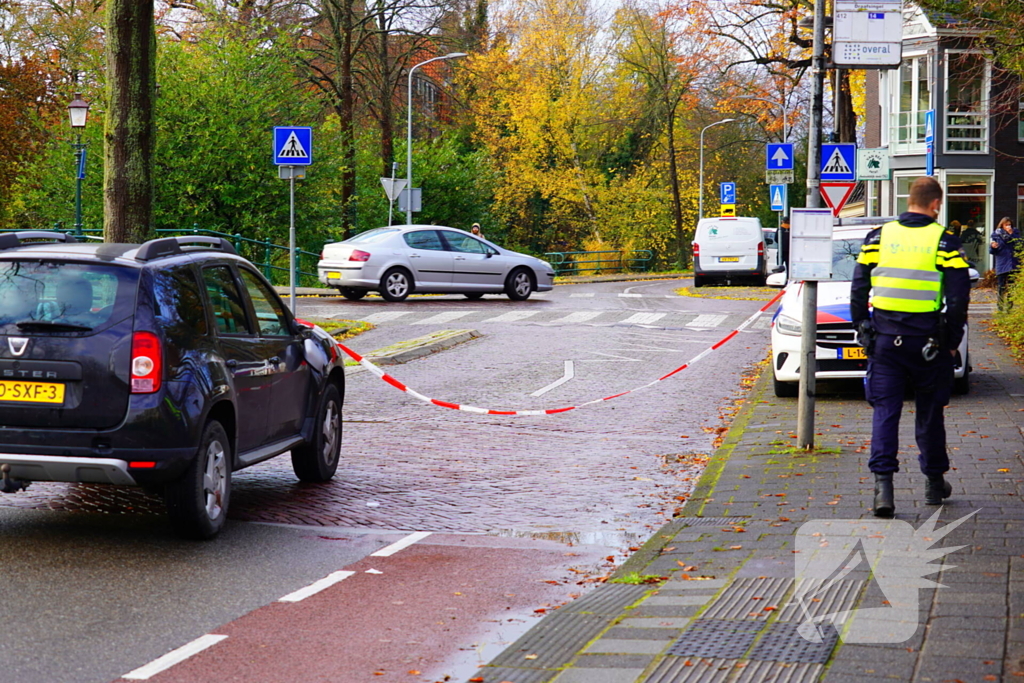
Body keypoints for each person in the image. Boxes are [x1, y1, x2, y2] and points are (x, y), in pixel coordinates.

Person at [850, 176, 971, 518]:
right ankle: (934, 484)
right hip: (928, 345)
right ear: (936, 204)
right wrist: (950, 342)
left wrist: (864, 330)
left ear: (909, 201)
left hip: (886, 344)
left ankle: (882, 489)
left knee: (885, 413)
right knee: (930, 414)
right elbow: (959, 297)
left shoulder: (879, 237)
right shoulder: (945, 242)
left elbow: (859, 288)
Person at [990, 216, 1020, 311]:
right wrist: (993, 247)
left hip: (1013, 263)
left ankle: (1009, 306)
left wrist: (1011, 234)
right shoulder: (996, 235)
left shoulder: (1016, 233)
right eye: (1006, 224)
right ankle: (1000, 305)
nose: (1008, 226)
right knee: (1001, 285)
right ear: (1002, 225)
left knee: (1012, 286)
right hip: (1002, 263)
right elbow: (992, 251)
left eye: (1010, 224)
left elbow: (1019, 246)